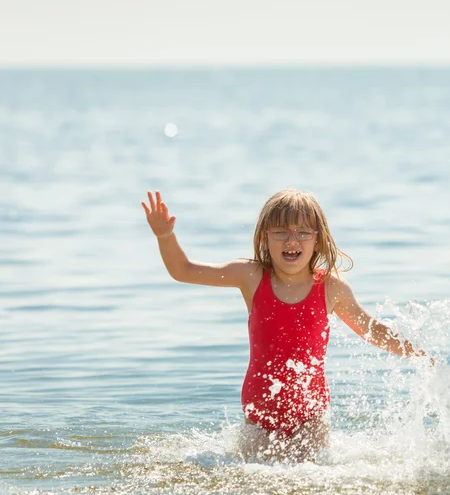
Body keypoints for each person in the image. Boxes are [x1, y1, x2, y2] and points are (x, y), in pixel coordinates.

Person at [142, 189, 433, 462]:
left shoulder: (332, 288)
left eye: (303, 232)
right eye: (280, 232)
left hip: (311, 413)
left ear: (317, 240)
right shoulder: (252, 275)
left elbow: (370, 328)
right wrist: (165, 236)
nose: (292, 240)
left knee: (310, 471)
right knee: (257, 471)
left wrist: (415, 351)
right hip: (260, 412)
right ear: (264, 239)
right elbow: (184, 271)